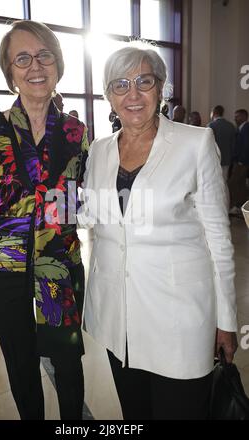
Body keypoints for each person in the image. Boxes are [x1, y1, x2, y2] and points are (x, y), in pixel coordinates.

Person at [79, 43, 238, 420]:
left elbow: (219, 239)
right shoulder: (99, 150)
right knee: (134, 414)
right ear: (109, 96)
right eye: (120, 84)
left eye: (143, 81)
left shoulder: (195, 143)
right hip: (119, 321)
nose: (132, 94)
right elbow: (90, 213)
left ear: (161, 88)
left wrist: (227, 321)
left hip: (179, 320)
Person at [0, 20, 88, 420]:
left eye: (45, 55)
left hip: (59, 268)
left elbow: (73, 203)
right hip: (4, 273)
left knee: (67, 364)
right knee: (22, 368)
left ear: (57, 64)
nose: (36, 65)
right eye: (23, 58)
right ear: (10, 71)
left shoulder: (74, 132)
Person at [228, 109, 249, 215]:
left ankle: (236, 206)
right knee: (240, 185)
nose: (235, 118)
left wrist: (241, 160)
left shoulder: (246, 128)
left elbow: (246, 146)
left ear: (245, 117)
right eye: (235, 116)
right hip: (240, 161)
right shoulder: (241, 128)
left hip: (242, 162)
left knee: (233, 184)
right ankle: (242, 206)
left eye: (238, 116)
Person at [208, 105, 236, 182]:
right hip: (227, 159)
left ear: (214, 113)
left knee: (214, 182)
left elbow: (208, 144)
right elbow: (233, 144)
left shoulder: (211, 125)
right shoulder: (231, 126)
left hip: (214, 158)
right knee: (224, 180)